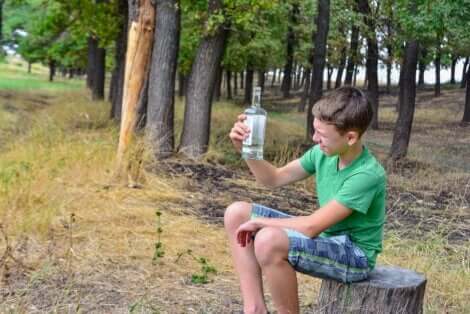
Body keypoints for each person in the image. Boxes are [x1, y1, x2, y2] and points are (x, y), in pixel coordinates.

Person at [224, 86, 386, 314]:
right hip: (327, 238)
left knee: (268, 240)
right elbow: (273, 178)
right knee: (236, 213)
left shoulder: (367, 174)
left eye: (321, 134)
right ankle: (254, 309)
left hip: (354, 256)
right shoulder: (323, 153)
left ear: (351, 137)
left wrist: (262, 223)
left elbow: (311, 226)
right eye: (315, 130)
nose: (314, 138)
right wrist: (245, 149)